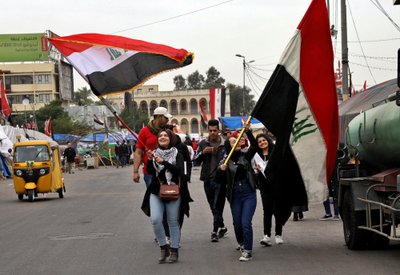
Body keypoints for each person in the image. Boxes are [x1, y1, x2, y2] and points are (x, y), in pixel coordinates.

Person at [142, 129, 184, 264]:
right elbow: (149, 171)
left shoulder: (178, 153)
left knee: (172, 221)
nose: (162, 137)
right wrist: (149, 159)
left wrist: (164, 162)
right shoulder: (153, 153)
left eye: (165, 135)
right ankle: (163, 247)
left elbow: (178, 170)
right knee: (155, 219)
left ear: (170, 138)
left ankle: (174, 250)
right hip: (156, 191)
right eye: (160, 135)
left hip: (172, 190)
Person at [217, 128, 258, 262]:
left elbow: (255, 146)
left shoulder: (245, 156)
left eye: (238, 140)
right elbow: (217, 180)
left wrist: (249, 132)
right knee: (237, 223)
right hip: (235, 194)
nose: (238, 142)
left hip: (248, 192)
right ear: (229, 145)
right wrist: (221, 170)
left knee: (246, 222)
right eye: (234, 141)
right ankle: (241, 242)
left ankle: (248, 251)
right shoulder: (225, 161)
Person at [250, 132, 284, 246]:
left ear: (268, 140)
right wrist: (257, 171)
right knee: (267, 210)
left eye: (263, 140)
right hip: (264, 187)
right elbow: (254, 171)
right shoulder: (256, 156)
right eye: (259, 142)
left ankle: (278, 234)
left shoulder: (275, 153)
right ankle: (267, 235)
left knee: (277, 210)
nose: (262, 143)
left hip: (277, 186)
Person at [195, 119, 227, 242]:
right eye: (210, 131)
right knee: (212, 205)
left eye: (215, 130)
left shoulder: (225, 144)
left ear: (218, 130)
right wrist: (203, 153)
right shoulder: (203, 143)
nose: (212, 133)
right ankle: (222, 226)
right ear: (208, 130)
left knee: (217, 205)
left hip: (221, 179)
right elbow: (195, 161)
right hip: (207, 179)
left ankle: (214, 231)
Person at [133, 107, 172, 187]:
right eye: (166, 118)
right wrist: (135, 172)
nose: (168, 120)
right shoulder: (144, 131)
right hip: (150, 172)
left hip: (167, 169)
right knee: (153, 196)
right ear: (159, 117)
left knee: (168, 195)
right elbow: (138, 152)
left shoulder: (168, 131)